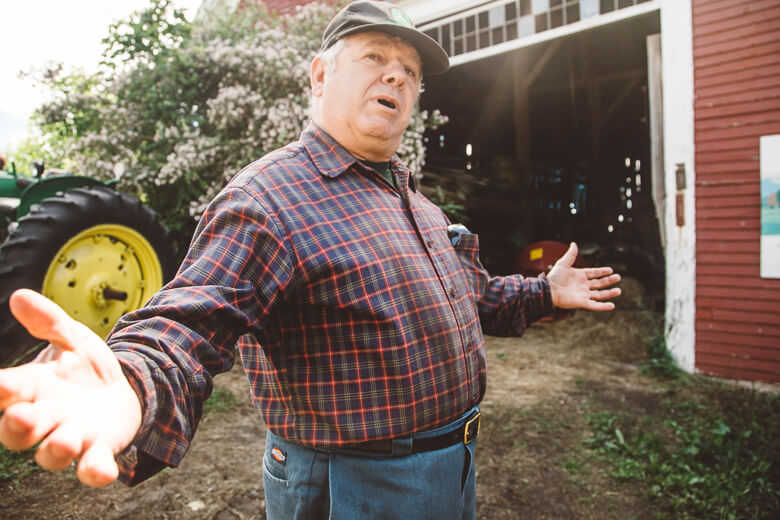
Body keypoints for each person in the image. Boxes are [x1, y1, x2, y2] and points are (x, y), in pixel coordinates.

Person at [0, 2, 621, 518]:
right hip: (354, 486)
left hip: (451, 469)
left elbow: (474, 295)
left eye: (409, 71)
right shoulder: (268, 199)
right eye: (374, 59)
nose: (397, 78)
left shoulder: (415, 202)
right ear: (320, 76)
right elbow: (187, 325)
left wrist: (545, 291)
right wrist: (132, 385)